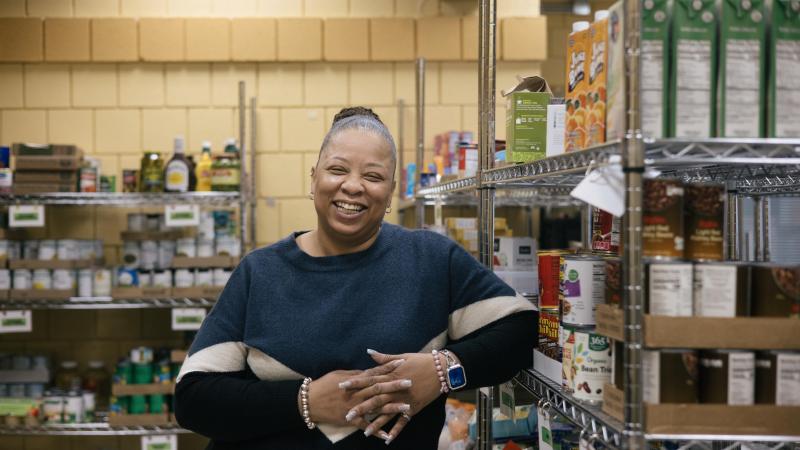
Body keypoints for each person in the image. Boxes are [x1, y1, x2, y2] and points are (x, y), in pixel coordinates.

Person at [174, 106, 537, 449]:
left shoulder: (431, 260)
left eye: (373, 176)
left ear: (391, 192)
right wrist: (307, 401)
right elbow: (193, 399)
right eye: (337, 169)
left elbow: (521, 331)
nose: (353, 186)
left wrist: (444, 372)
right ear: (313, 178)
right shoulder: (259, 272)